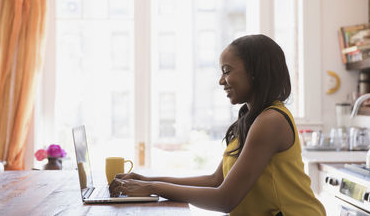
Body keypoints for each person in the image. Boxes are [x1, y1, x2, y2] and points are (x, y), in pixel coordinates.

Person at [109, 34, 326, 216]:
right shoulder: (252, 118)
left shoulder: (271, 122)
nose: (221, 81)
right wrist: (146, 180)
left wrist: (152, 188)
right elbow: (215, 181)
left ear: (254, 72)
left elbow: (225, 198)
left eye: (227, 70)